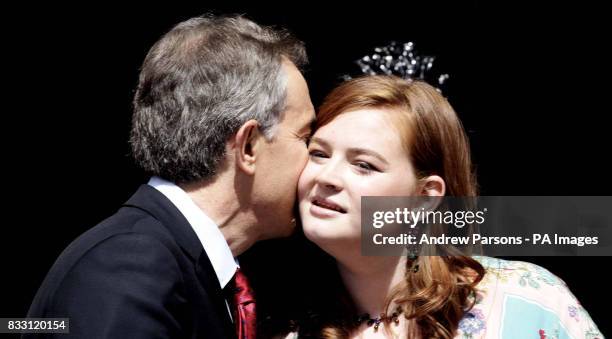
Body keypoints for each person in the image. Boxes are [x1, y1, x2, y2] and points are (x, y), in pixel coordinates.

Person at [25, 14, 315, 339]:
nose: (314, 162)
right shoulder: (131, 266)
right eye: (304, 138)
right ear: (248, 145)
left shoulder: (173, 259)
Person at [278, 75, 603, 338]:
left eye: (364, 165)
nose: (327, 176)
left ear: (425, 196)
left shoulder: (526, 300)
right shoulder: (283, 328)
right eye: (318, 153)